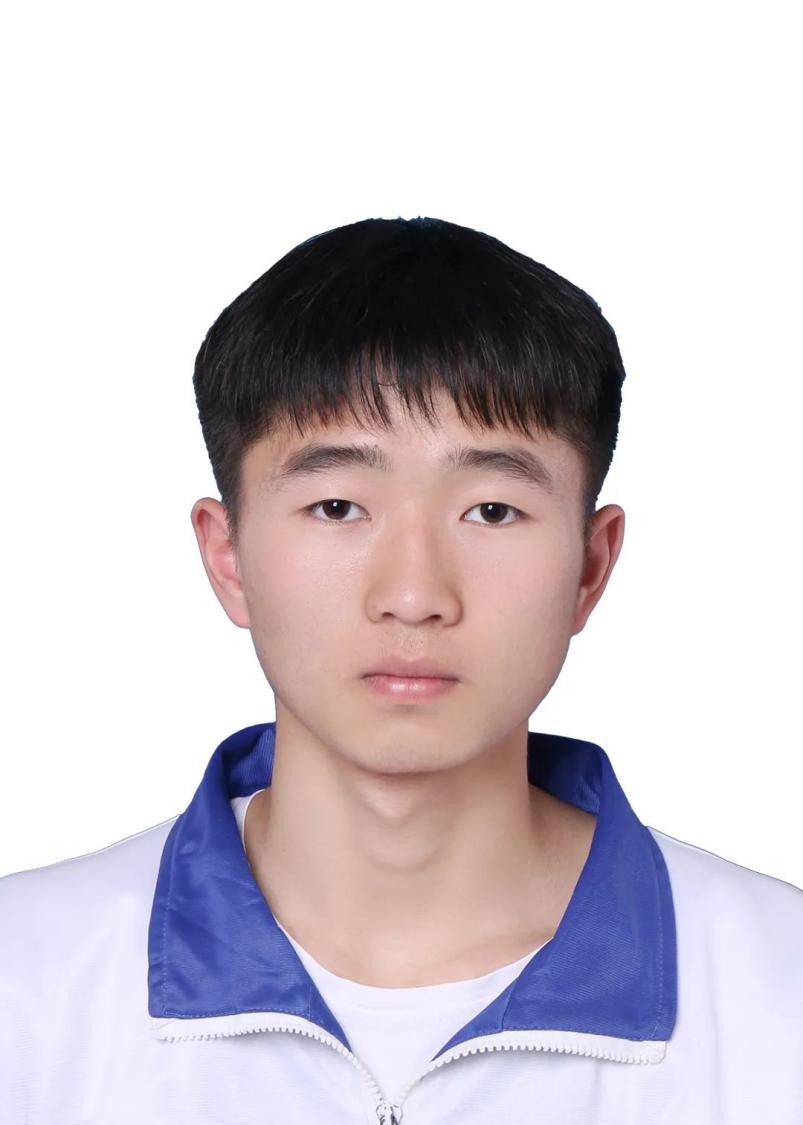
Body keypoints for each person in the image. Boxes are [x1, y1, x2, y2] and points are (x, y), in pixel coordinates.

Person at [1, 217, 801, 1124]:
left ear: (589, 565)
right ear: (228, 559)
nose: (413, 595)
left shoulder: (778, 1000)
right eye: (337, 505)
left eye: (491, 510)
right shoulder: (24, 985)